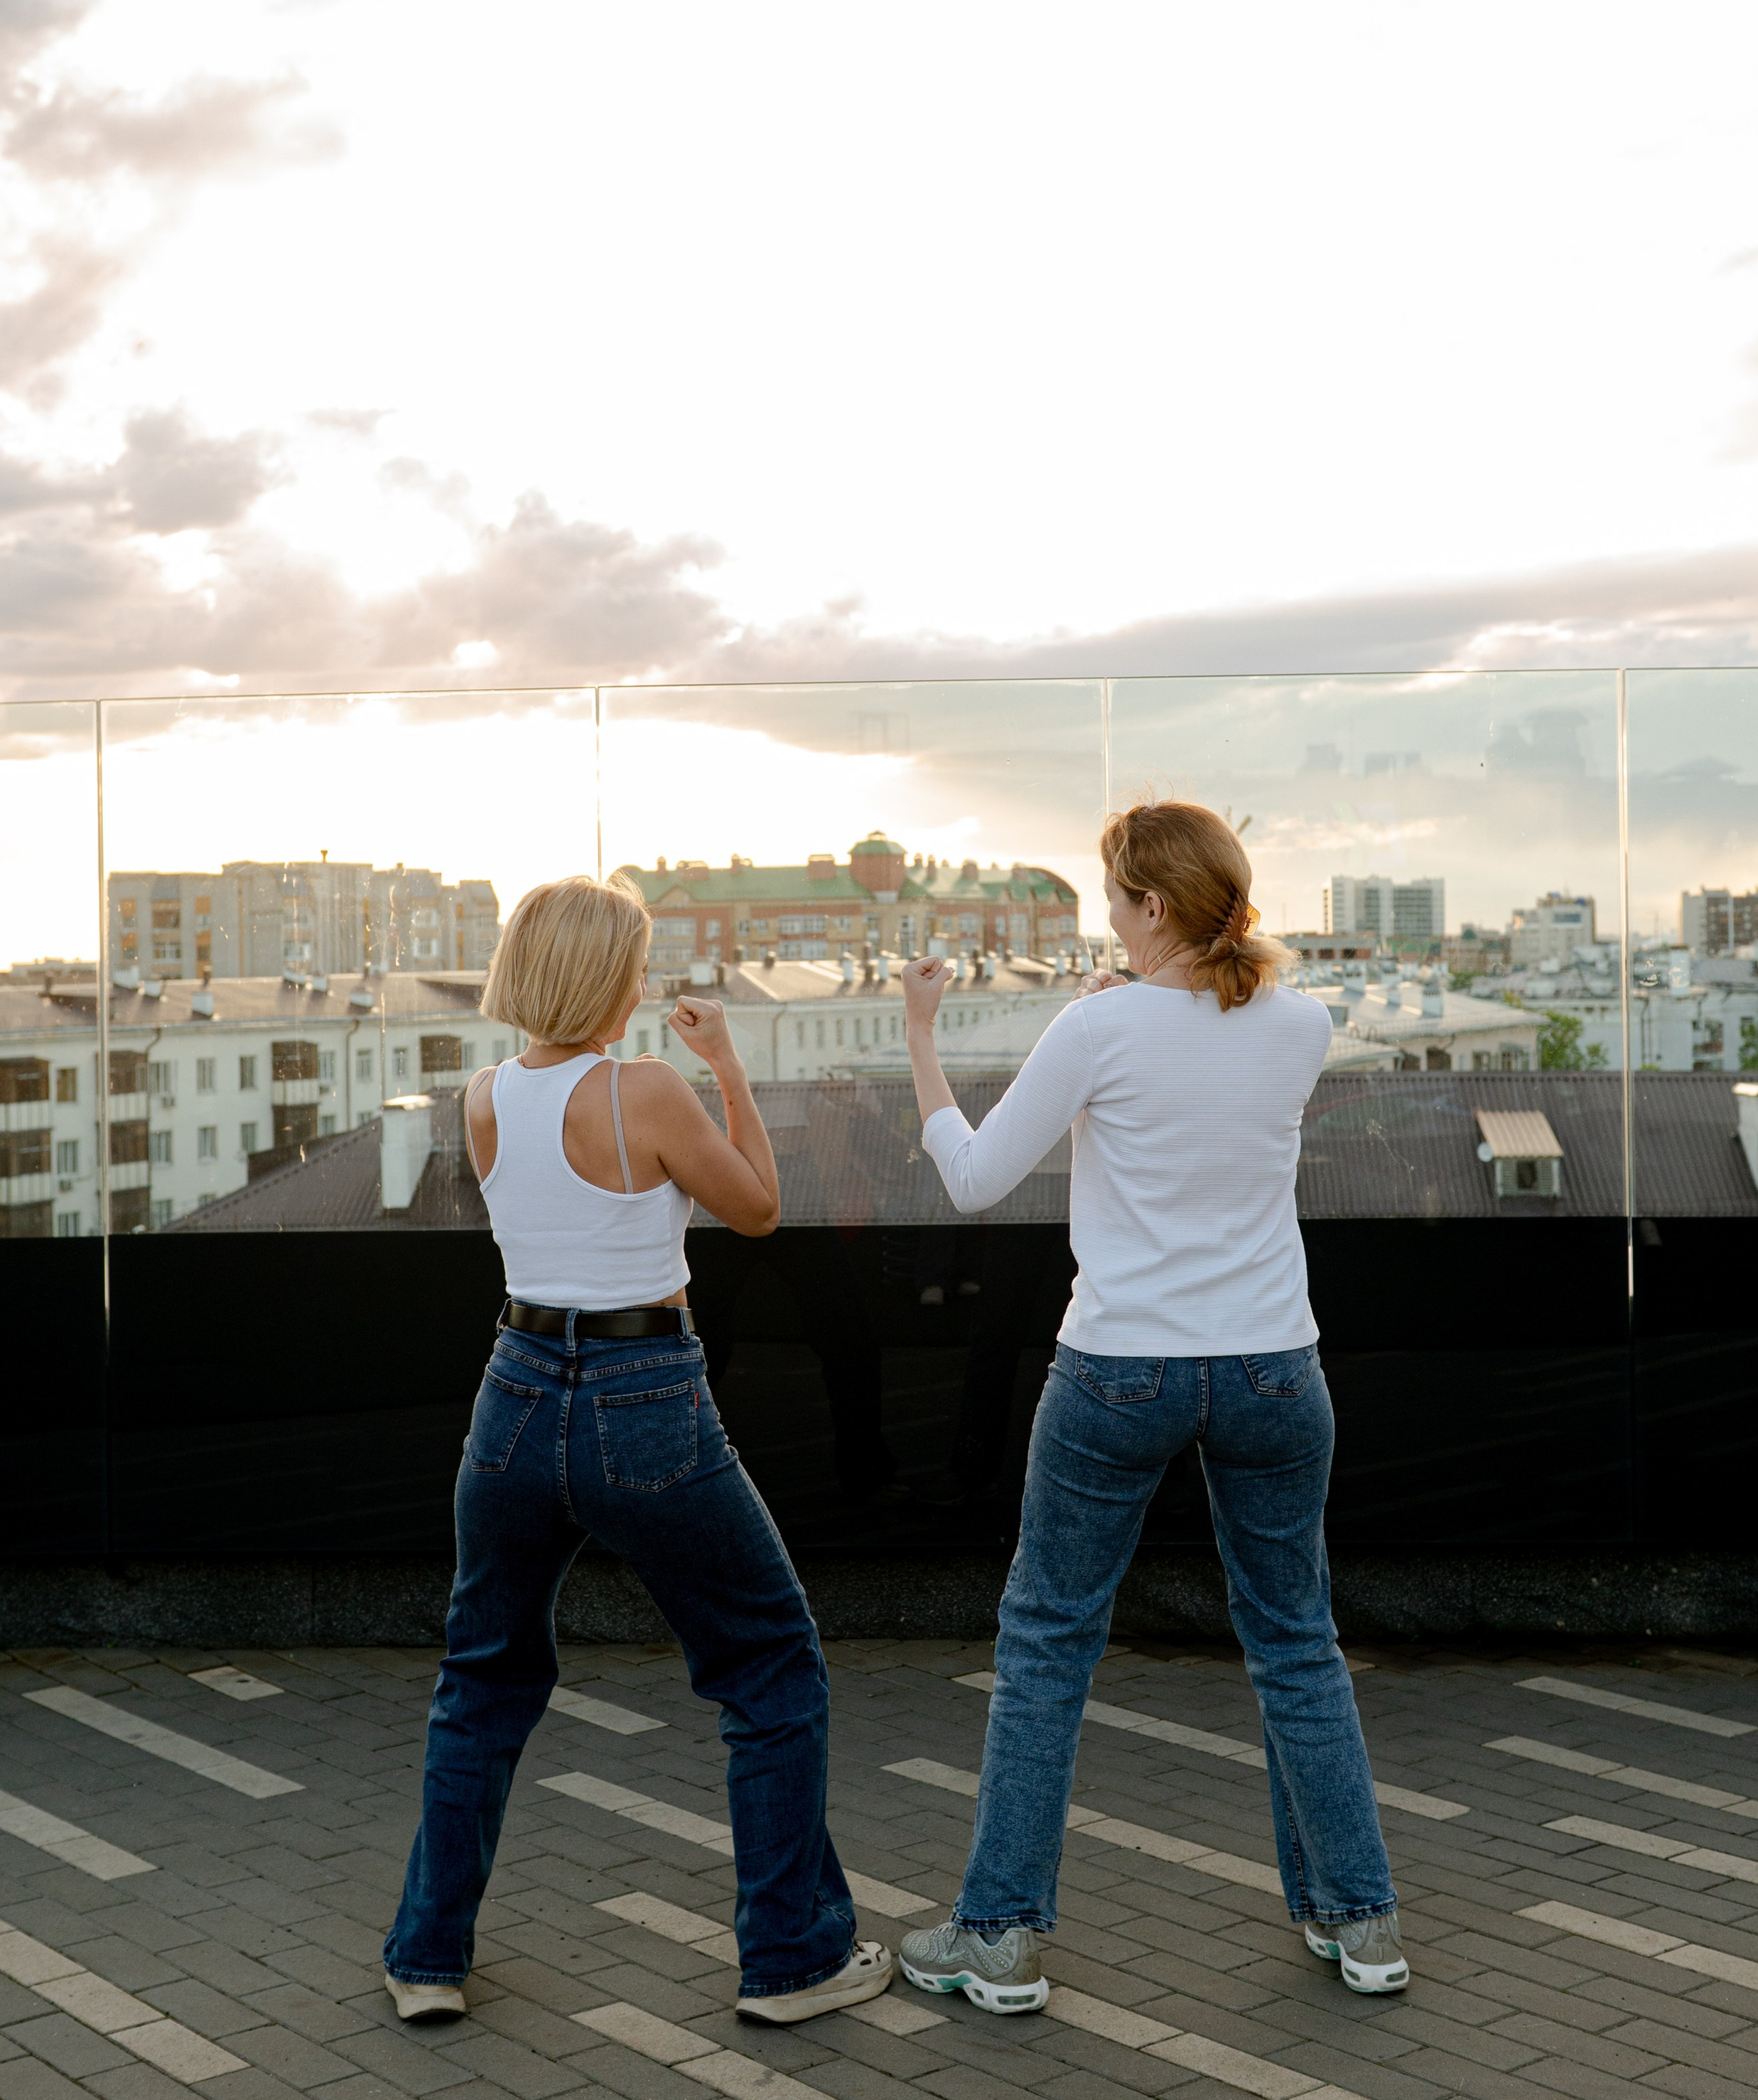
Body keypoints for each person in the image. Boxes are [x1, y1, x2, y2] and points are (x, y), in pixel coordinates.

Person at [894, 800, 1406, 2010]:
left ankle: (1001, 1936)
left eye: (1115, 900)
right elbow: (1213, 1038)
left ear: (1153, 906)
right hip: (1279, 1367)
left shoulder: (1096, 1028)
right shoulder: (1302, 1022)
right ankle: (1363, 1918)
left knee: (1047, 1644)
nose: (1107, 922)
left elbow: (972, 1180)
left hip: (1121, 1369)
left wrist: (922, 1031)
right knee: (1295, 1640)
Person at [382, 872, 891, 2027]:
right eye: (636, 963)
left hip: (512, 1395)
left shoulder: (481, 1095)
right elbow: (759, 1207)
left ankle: (428, 1956)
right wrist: (731, 1073)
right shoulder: (648, 1090)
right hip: (642, 1392)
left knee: (483, 1677)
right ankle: (793, 1961)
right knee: (769, 1666)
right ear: (609, 975)